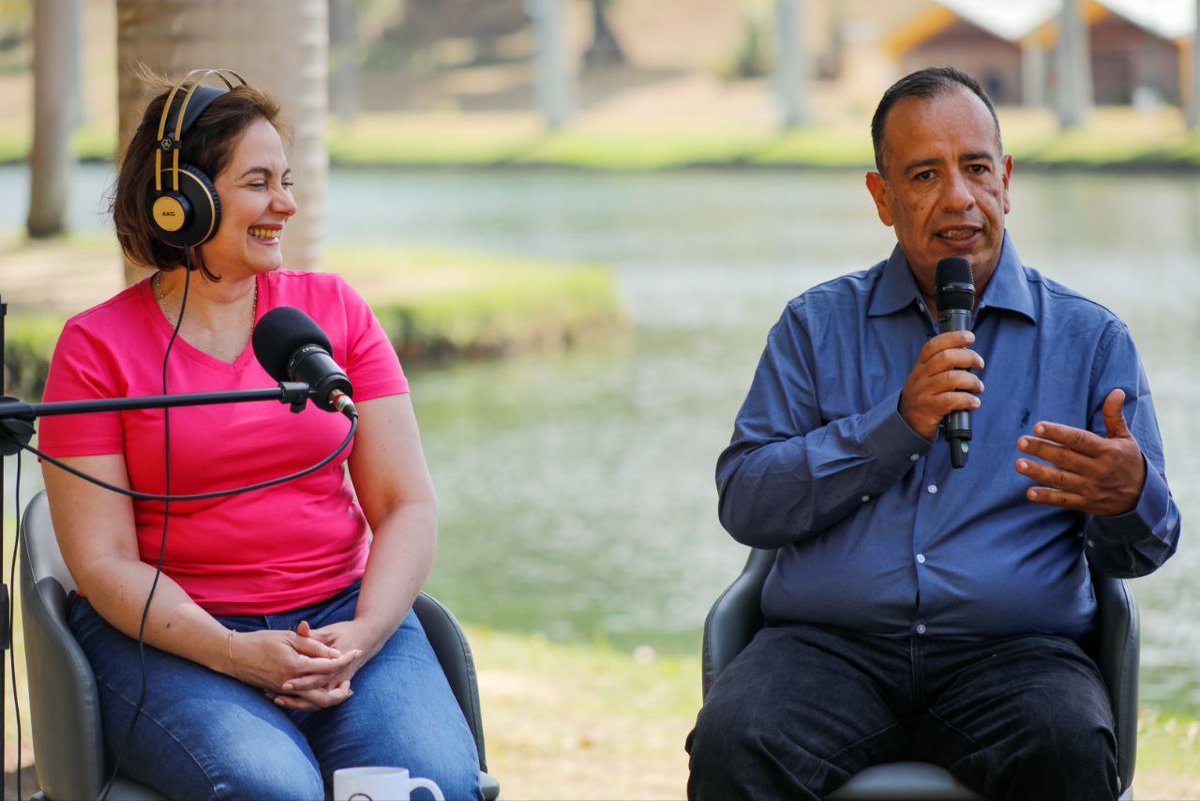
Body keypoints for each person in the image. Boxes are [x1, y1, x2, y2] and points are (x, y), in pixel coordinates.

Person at [686, 67, 1181, 801]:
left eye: (976, 168)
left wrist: (1129, 497)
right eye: (924, 175)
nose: (958, 197)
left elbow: (1144, 549)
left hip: (1017, 657)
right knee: (737, 739)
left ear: (1005, 181)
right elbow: (746, 503)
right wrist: (894, 426)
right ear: (882, 198)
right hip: (826, 652)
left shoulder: (1091, 339)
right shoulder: (814, 327)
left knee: (1065, 742)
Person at [38, 70, 482, 800]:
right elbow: (104, 559)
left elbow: (406, 503)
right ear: (183, 199)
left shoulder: (336, 312)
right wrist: (232, 651)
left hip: (343, 617)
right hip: (172, 640)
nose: (287, 203)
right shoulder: (94, 348)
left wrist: (364, 633)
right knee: (273, 788)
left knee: (426, 781)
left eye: (287, 180)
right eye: (258, 182)